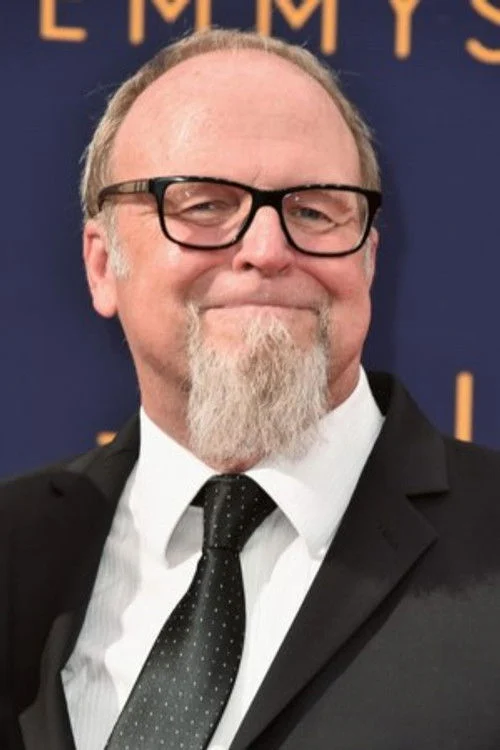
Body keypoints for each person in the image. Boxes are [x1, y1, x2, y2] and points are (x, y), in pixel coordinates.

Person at [2, 27, 500, 750]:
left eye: (314, 210)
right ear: (103, 264)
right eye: (203, 205)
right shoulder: (13, 549)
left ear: (368, 260)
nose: (267, 251)